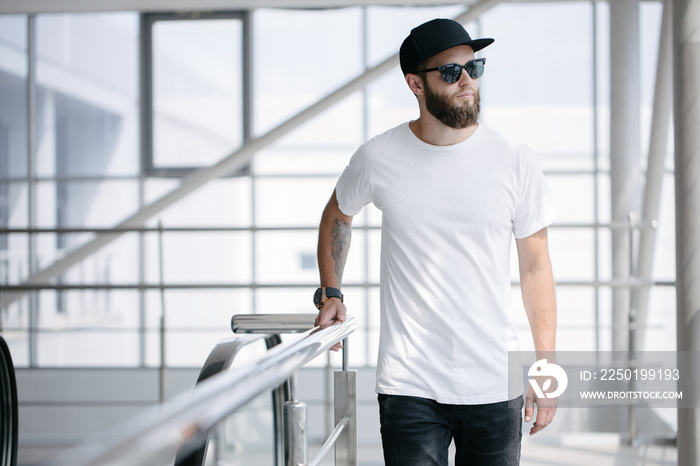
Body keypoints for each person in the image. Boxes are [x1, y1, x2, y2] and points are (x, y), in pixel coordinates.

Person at [313, 17, 558, 465]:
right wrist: (331, 291)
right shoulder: (379, 157)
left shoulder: (515, 160)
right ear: (415, 84)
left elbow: (536, 267)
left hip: (493, 383)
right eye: (450, 72)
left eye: (473, 67)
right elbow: (338, 213)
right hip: (409, 386)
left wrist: (546, 368)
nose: (467, 81)